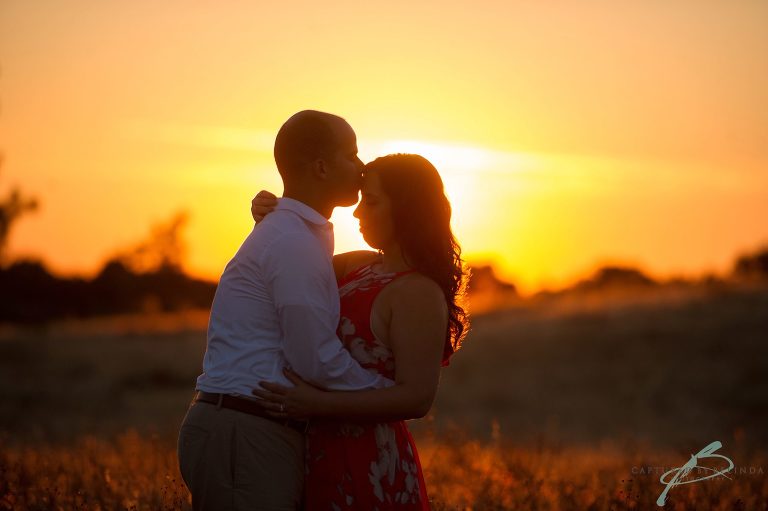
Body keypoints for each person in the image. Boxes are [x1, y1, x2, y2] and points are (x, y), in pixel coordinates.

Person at [177, 110, 394, 511]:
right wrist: (388, 395)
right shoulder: (293, 241)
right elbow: (313, 358)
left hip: (248, 429)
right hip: (246, 432)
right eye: (352, 154)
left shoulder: (296, 235)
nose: (361, 167)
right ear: (321, 167)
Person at [250, 153, 468, 510]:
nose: (357, 212)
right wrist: (270, 220)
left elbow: (416, 398)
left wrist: (318, 404)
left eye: (372, 201)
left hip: (368, 460)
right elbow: (285, 266)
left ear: (407, 208)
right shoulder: (357, 265)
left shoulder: (418, 293)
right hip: (312, 450)